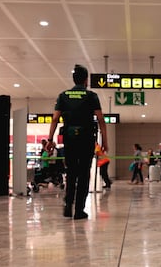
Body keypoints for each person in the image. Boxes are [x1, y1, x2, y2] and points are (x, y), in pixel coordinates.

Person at [47, 64, 108, 220]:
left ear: (74, 79)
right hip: (86, 139)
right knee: (83, 174)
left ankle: (68, 206)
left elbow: (55, 118)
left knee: (72, 172)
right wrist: (105, 141)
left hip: (69, 139)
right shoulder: (91, 96)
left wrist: (50, 139)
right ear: (86, 80)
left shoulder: (63, 95)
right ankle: (79, 210)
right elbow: (101, 119)